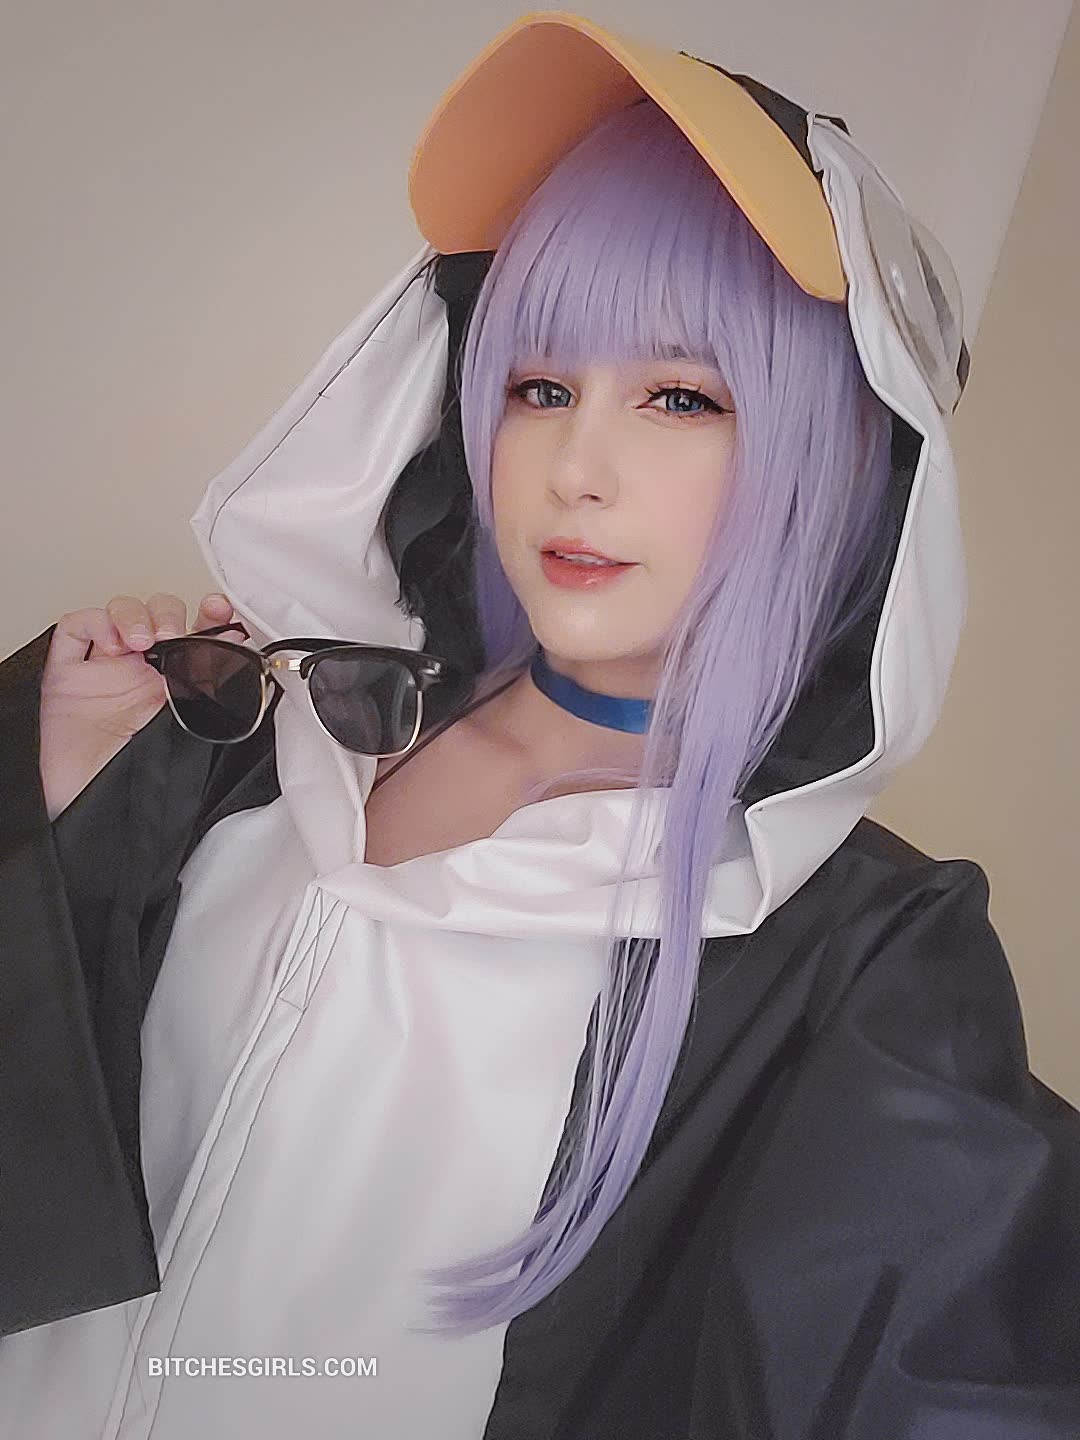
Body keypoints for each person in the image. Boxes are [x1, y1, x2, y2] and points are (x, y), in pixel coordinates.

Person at [2, 11, 1078, 1438]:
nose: (577, 465)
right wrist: (57, 808)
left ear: (835, 451)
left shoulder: (853, 965)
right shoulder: (255, 740)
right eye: (541, 385)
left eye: (682, 396)